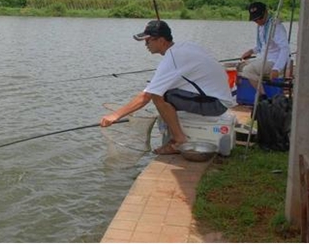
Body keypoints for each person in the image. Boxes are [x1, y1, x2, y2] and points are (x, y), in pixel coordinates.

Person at [99, 20, 235, 155]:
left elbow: (146, 96)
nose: (146, 45)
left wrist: (115, 115)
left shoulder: (172, 58)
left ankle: (179, 140)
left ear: (161, 40)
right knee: (163, 92)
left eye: (148, 40)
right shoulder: (185, 46)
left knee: (160, 96)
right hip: (218, 97)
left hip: (216, 104)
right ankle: (175, 135)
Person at [239, 2, 290, 99]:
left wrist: (277, 68)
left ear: (266, 12)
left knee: (248, 70)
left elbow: (285, 48)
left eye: (260, 18)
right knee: (240, 66)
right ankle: (245, 95)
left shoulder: (275, 26)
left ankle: (262, 95)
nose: (258, 21)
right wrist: (250, 51)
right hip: (263, 59)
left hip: (273, 61)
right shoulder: (261, 27)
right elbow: (262, 45)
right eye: (255, 19)